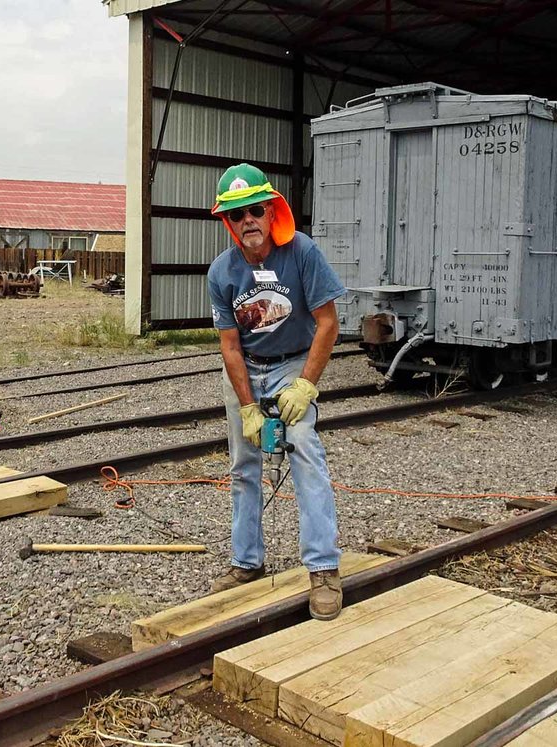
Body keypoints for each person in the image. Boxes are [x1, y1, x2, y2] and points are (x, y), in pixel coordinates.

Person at [206, 163, 346, 621]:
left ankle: (323, 569)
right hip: (247, 370)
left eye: (256, 210)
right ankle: (246, 561)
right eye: (238, 214)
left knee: (305, 449)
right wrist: (248, 407)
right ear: (228, 222)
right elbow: (229, 346)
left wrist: (306, 384)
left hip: (291, 365)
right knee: (244, 467)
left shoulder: (302, 253)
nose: (249, 220)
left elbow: (328, 323)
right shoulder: (221, 273)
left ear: (272, 212)